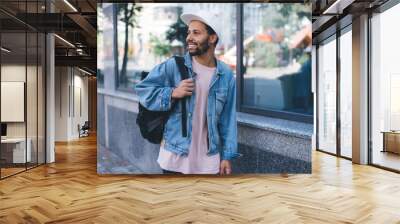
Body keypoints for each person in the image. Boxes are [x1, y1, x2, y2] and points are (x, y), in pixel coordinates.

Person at [135, 11, 240, 175]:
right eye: (188, 32)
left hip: (208, 160)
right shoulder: (174, 66)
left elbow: (228, 119)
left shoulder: (225, 75)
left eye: (196, 33)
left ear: (212, 38)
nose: (189, 38)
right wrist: (172, 93)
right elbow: (143, 90)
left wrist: (227, 156)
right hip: (175, 156)